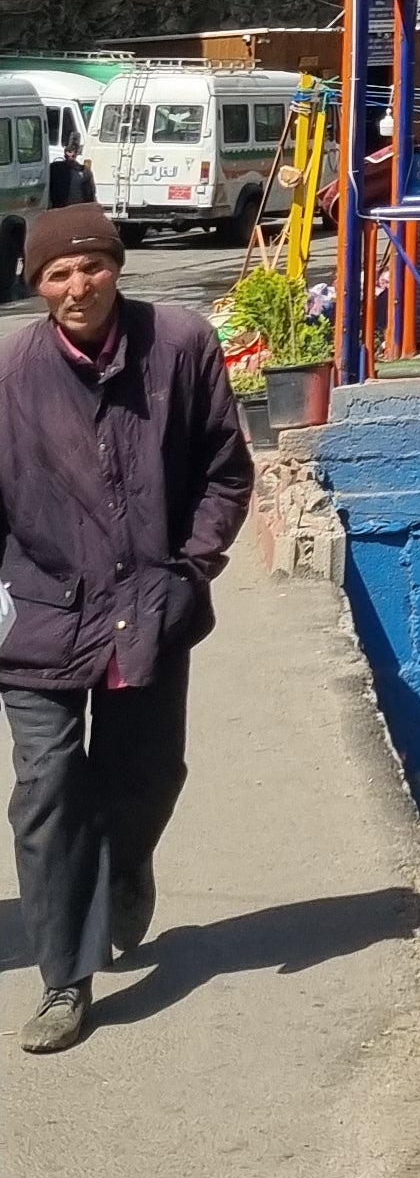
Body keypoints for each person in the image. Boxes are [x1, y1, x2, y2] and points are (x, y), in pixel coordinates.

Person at [0, 203, 255, 1053]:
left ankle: (127, 863)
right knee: (47, 794)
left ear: (117, 266)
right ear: (36, 287)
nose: (79, 286)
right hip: (37, 614)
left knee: (145, 777)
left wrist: (192, 569)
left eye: (92, 267)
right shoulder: (11, 375)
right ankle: (63, 984)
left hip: (151, 605)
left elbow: (225, 471)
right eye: (57, 275)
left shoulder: (180, 345)